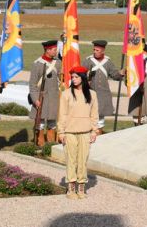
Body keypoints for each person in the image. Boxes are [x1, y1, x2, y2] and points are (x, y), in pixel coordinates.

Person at [57, 65, 99, 199]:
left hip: (85, 132)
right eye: (72, 77)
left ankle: (81, 187)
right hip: (70, 132)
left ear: (83, 78)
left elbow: (94, 114)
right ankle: (71, 188)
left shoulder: (92, 94)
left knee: (83, 160)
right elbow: (62, 114)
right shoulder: (66, 94)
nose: (74, 79)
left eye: (76, 77)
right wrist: (61, 132)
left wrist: (94, 130)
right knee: (71, 160)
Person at [85, 40, 123, 133]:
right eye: (94, 49)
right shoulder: (88, 61)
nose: (95, 51)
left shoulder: (108, 62)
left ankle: (99, 137)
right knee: (89, 117)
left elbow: (115, 76)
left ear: (102, 50)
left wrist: (120, 74)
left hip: (103, 94)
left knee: (100, 118)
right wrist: (87, 75)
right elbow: (80, 75)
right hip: (90, 93)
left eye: (97, 50)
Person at [30, 39, 63, 145]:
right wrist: (35, 100)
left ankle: (51, 145)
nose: (56, 51)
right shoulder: (37, 64)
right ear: (47, 50)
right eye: (54, 49)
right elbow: (32, 84)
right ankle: (40, 144)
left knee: (52, 122)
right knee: (41, 123)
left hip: (54, 97)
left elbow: (61, 79)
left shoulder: (58, 63)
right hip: (42, 97)